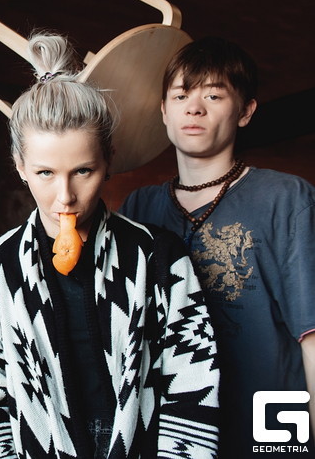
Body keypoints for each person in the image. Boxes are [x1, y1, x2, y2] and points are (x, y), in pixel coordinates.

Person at [0, 32, 220, 458]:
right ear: (20, 167)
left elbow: (193, 384)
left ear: (108, 160)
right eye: (45, 173)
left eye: (83, 171)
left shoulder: (159, 257)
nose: (65, 196)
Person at [120, 37, 315, 455]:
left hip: (269, 421)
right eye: (181, 96)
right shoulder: (139, 207)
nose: (194, 108)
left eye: (213, 95)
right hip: (174, 429)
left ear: (245, 111)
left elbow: (312, 335)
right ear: (163, 111)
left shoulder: (286, 198)